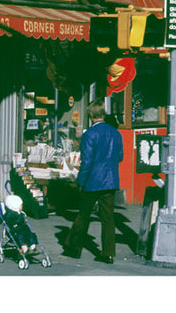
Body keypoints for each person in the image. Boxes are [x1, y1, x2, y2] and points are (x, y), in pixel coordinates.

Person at [63, 98, 124, 264]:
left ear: (90, 115)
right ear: (103, 114)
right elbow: (120, 156)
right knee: (108, 218)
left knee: (83, 215)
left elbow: (87, 161)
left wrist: (80, 181)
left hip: (92, 180)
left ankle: (74, 248)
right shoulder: (115, 133)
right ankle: (108, 253)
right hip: (110, 180)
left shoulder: (89, 134)